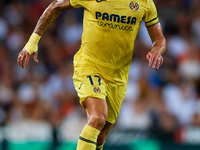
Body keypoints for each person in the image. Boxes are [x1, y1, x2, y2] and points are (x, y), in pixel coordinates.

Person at [17, 0, 166, 149]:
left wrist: (157, 50)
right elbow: (56, 5)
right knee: (98, 117)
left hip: (118, 77)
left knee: (101, 136)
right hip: (89, 67)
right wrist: (33, 41)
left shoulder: (145, 3)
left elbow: (159, 38)